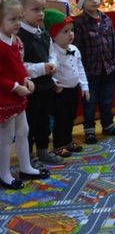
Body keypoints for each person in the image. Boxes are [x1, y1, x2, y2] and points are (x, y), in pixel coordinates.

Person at [0, 0, 50, 190]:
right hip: (5, 97)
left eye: (19, 18)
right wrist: (15, 87)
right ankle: (4, 174)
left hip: (18, 95)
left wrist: (26, 79)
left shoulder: (15, 40)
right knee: (6, 137)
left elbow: (18, 65)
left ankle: (26, 167)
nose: (17, 23)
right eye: (12, 19)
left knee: (23, 131)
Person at [72, 0, 115, 144]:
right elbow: (77, 48)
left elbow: (113, 42)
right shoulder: (79, 23)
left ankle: (108, 125)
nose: (94, 1)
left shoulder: (106, 19)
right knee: (89, 102)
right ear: (82, 1)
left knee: (107, 99)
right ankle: (89, 130)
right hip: (90, 70)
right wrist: (81, 70)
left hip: (108, 68)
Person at [16, 0, 64, 166]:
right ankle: (27, 155)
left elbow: (52, 54)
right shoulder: (19, 37)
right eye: (35, 10)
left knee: (44, 121)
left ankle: (43, 150)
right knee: (29, 124)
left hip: (46, 86)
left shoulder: (43, 33)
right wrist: (42, 68)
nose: (41, 13)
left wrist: (52, 65)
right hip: (29, 89)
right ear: (22, 12)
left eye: (42, 9)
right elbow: (20, 66)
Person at [44, 9, 89, 157]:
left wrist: (84, 86)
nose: (70, 34)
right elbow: (50, 71)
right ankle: (58, 145)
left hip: (73, 90)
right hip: (61, 91)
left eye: (72, 30)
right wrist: (54, 82)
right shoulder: (53, 52)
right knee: (60, 119)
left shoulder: (74, 49)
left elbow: (80, 68)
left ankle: (68, 141)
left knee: (70, 117)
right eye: (65, 31)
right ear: (53, 35)